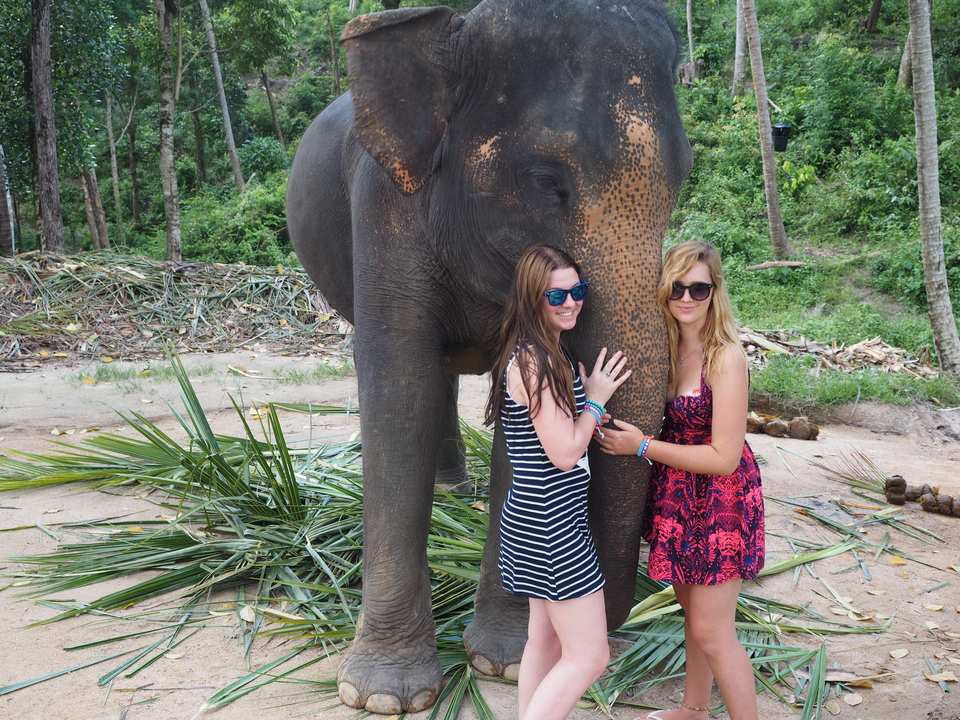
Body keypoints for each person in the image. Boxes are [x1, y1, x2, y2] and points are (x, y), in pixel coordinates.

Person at [597, 241, 764, 720]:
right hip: (678, 496)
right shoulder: (668, 349)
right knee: (695, 619)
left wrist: (642, 447)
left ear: (715, 292)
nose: (687, 296)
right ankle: (693, 710)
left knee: (714, 631)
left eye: (699, 288)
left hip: (721, 501)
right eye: (677, 287)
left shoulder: (724, 356)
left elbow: (725, 457)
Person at [485, 244, 631, 720]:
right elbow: (566, 454)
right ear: (533, 298)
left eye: (578, 291)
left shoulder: (538, 354)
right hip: (553, 526)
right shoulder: (538, 361)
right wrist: (594, 400)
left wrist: (582, 407)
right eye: (556, 296)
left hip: (531, 519)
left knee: (544, 640)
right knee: (591, 656)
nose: (570, 303)